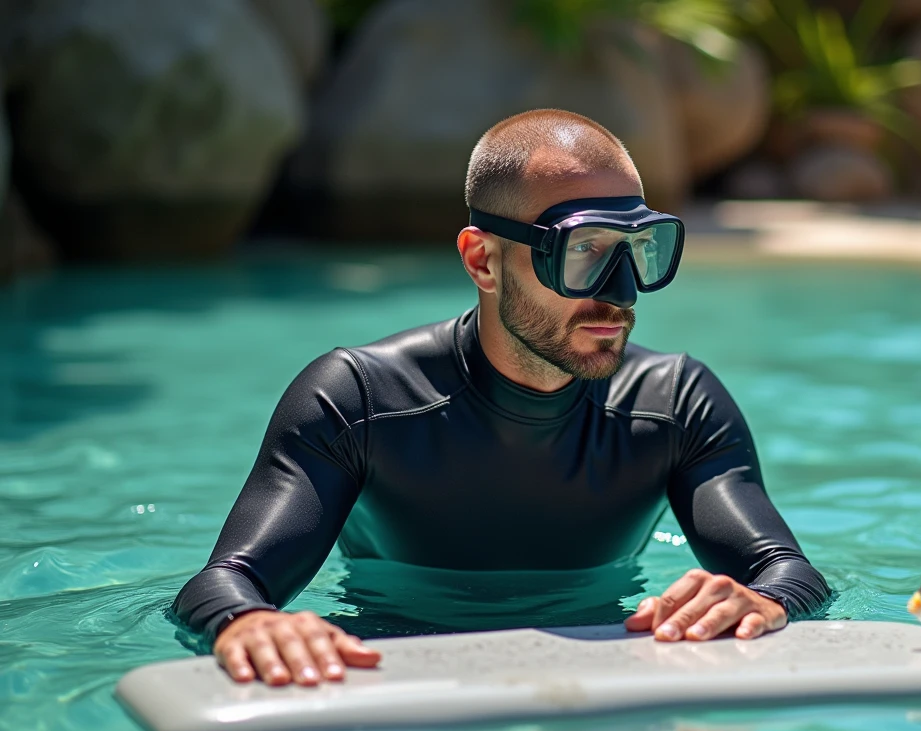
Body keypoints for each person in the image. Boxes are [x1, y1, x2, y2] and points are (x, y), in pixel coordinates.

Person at [173, 109, 830, 686]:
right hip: (393, 669)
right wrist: (248, 622)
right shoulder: (358, 401)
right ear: (483, 260)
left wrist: (760, 601)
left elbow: (788, 574)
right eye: (584, 254)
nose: (621, 293)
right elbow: (225, 583)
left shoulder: (675, 404)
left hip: (604, 672)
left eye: (639, 251)